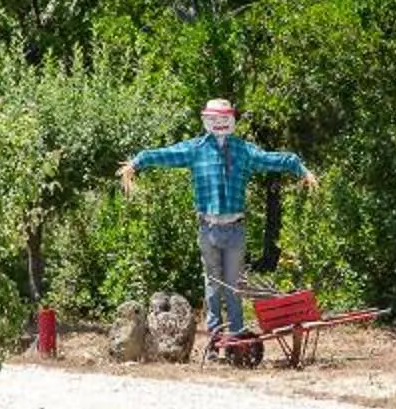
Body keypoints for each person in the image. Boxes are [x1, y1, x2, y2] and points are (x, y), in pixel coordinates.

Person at [119, 99, 318, 342]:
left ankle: (236, 339)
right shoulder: (196, 149)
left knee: (234, 287)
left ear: (232, 119)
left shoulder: (244, 150)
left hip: (235, 229)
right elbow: (166, 154)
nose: (219, 123)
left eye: (224, 118)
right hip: (208, 228)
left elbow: (274, 159)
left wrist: (301, 169)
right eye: (214, 118)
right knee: (213, 287)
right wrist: (137, 162)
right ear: (206, 120)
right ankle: (214, 341)